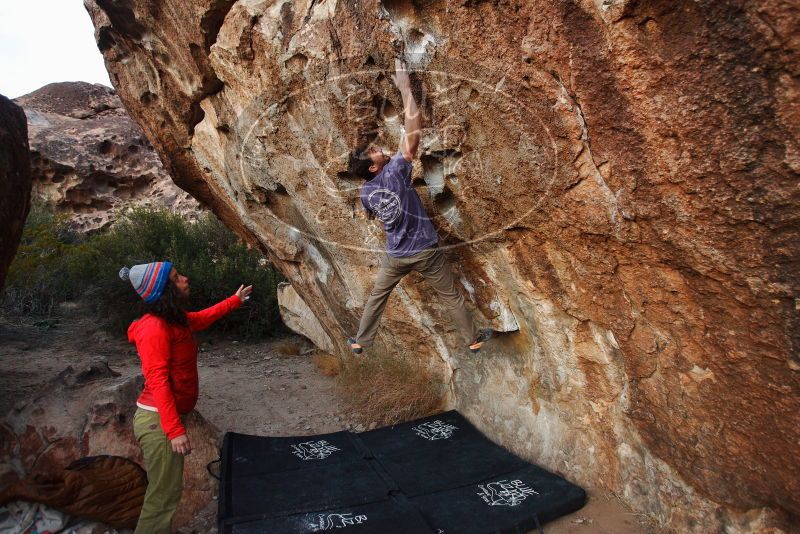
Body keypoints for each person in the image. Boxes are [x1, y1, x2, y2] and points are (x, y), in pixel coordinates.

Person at [346, 59, 491, 355]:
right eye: (374, 153)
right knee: (450, 296)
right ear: (374, 168)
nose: (378, 149)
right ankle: (473, 339)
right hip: (424, 249)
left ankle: (362, 340)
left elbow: (376, 213)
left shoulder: (366, 193)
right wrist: (405, 88)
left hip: (396, 254)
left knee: (378, 296)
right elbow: (413, 133)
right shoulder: (394, 171)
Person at [119, 261, 252, 533]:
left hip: (163, 420)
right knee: (162, 497)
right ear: (164, 289)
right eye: (177, 278)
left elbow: (201, 318)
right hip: (158, 423)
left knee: (166, 493)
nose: (185, 279)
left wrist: (234, 301)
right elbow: (157, 380)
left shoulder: (172, 319)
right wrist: (174, 430)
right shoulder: (154, 328)